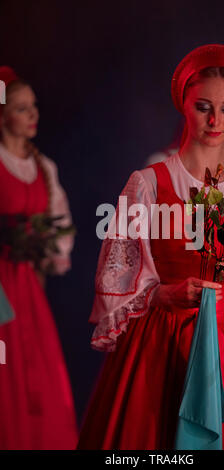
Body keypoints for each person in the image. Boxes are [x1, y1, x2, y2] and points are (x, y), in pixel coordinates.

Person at [77, 44, 224, 450]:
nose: (215, 120)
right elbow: (115, 274)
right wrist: (161, 292)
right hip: (159, 347)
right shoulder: (146, 183)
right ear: (184, 104)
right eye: (203, 107)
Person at [0, 66, 78, 449]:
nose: (32, 115)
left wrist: (45, 249)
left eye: (33, 107)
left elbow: (58, 228)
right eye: (20, 108)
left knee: (34, 366)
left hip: (27, 285)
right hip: (1, 284)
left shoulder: (44, 167)